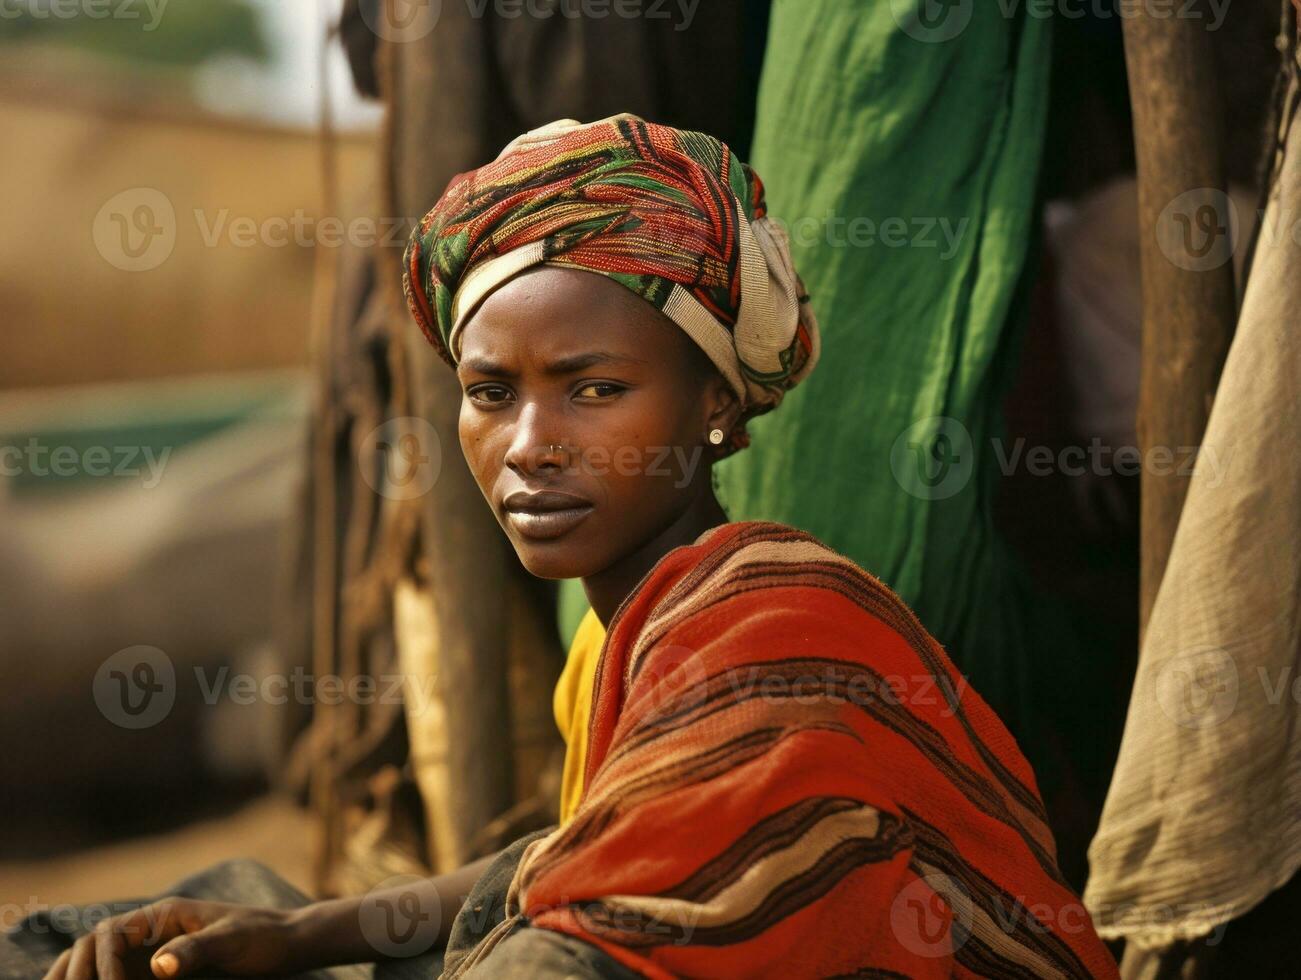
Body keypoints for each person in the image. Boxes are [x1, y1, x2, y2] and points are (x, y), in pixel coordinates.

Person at [13, 114, 1117, 979]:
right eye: (490, 392)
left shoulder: (779, 636)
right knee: (98, 932)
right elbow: (570, 861)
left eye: (594, 389)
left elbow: (591, 937)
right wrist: (295, 933)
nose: (529, 446)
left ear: (714, 407)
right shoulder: (630, 635)